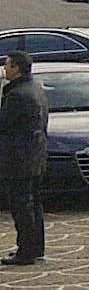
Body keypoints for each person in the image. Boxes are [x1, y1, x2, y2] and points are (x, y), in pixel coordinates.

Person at [0, 51, 49, 266]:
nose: (5, 68)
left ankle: (26, 251)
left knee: (21, 206)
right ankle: (35, 247)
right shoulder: (35, 88)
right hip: (35, 156)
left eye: (8, 65)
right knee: (34, 203)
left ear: (17, 68)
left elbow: (4, 124)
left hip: (19, 159)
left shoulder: (17, 95)